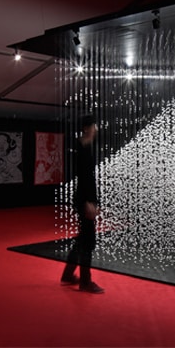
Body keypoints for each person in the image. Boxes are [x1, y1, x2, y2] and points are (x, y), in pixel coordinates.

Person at [60, 114, 104, 294]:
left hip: (86, 198)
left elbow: (89, 178)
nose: (96, 129)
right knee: (88, 240)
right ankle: (85, 282)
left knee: (83, 238)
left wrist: (94, 201)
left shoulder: (87, 146)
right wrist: (88, 202)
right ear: (86, 128)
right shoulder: (81, 149)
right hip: (84, 199)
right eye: (93, 125)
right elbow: (84, 178)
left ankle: (67, 275)